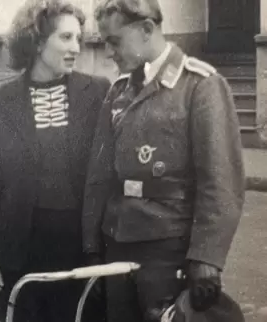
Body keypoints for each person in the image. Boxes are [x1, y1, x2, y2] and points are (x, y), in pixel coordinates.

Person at [82, 0, 246, 321]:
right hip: (116, 246)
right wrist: (90, 246)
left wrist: (207, 261)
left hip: (169, 253)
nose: (109, 53)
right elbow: (98, 178)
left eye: (114, 41)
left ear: (146, 30)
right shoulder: (118, 91)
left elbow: (221, 182)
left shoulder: (200, 86)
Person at [0, 0, 111, 321]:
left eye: (78, 38)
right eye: (65, 38)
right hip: (21, 245)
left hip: (79, 244)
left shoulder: (97, 92)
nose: (76, 47)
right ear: (36, 41)